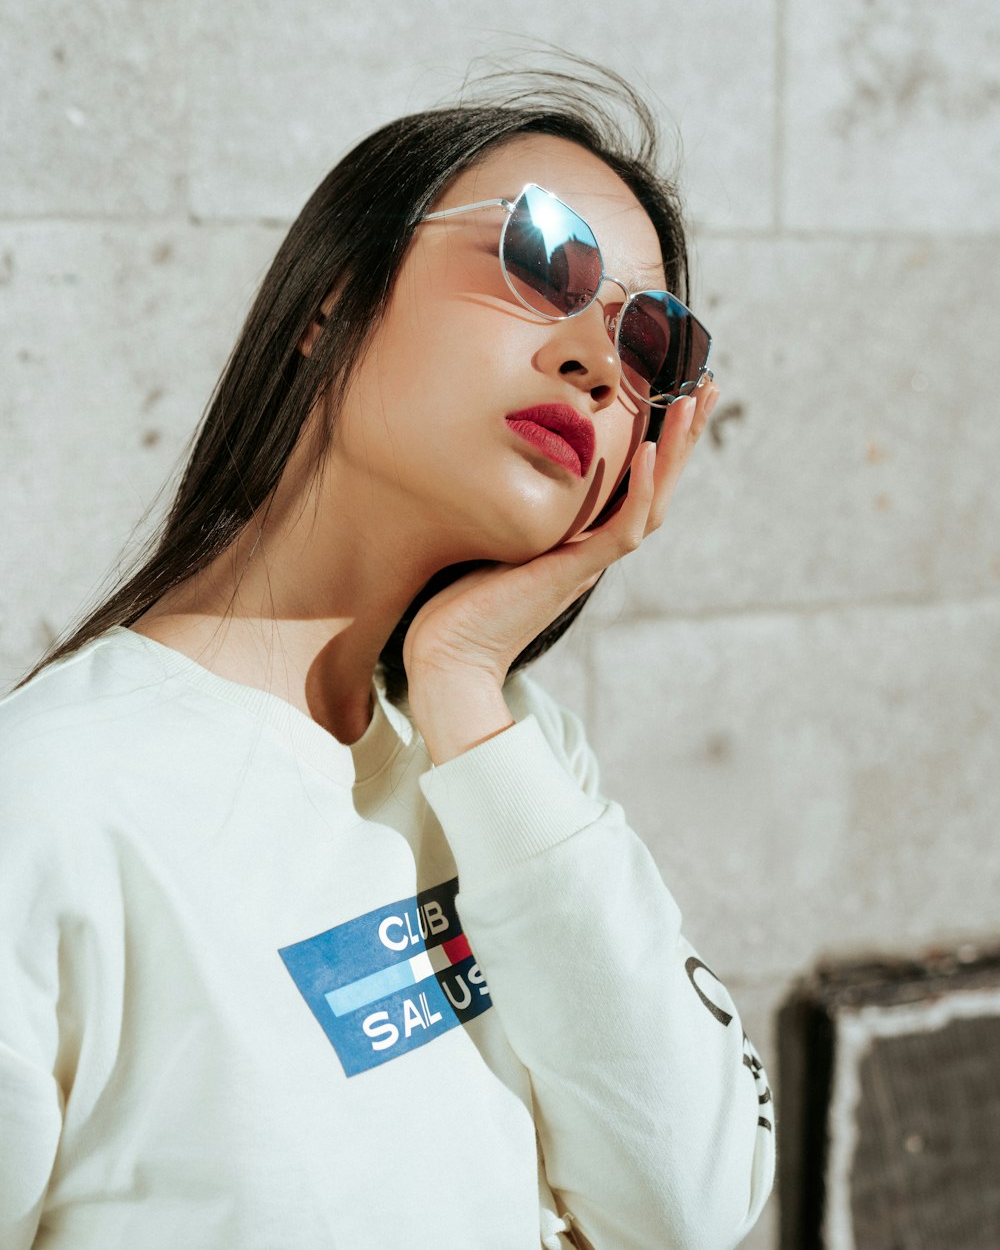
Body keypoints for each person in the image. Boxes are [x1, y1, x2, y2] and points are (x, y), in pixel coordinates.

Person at [0, 61, 775, 1249]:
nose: (594, 360)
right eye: (543, 258)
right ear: (335, 300)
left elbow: (689, 1206)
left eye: (651, 347)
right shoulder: (49, 801)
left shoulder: (504, 753)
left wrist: (463, 677)